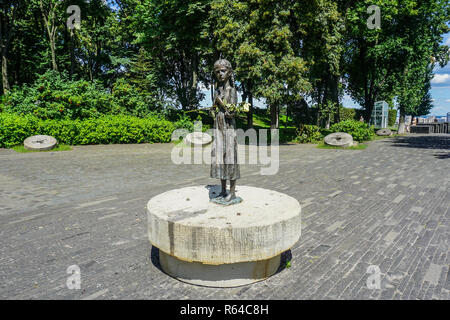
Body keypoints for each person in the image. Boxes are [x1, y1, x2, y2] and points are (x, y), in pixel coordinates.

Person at [210, 59, 240, 202]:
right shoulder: (218, 90)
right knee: (220, 158)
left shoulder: (232, 91)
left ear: (229, 72)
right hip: (218, 127)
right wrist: (213, 109)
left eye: (223, 71)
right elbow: (214, 111)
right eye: (217, 72)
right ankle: (222, 190)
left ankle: (232, 192)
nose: (220, 74)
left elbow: (231, 113)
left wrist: (220, 102)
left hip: (228, 128)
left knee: (230, 158)